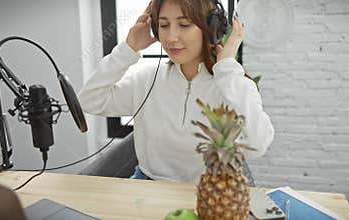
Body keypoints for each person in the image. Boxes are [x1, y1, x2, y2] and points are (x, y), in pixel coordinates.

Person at [78, 0, 274, 183]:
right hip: (147, 188)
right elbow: (89, 100)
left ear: (211, 29)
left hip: (207, 194)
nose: (171, 37)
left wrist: (227, 68)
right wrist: (128, 49)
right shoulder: (146, 79)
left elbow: (258, 143)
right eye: (163, 25)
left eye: (184, 24)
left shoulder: (232, 83)